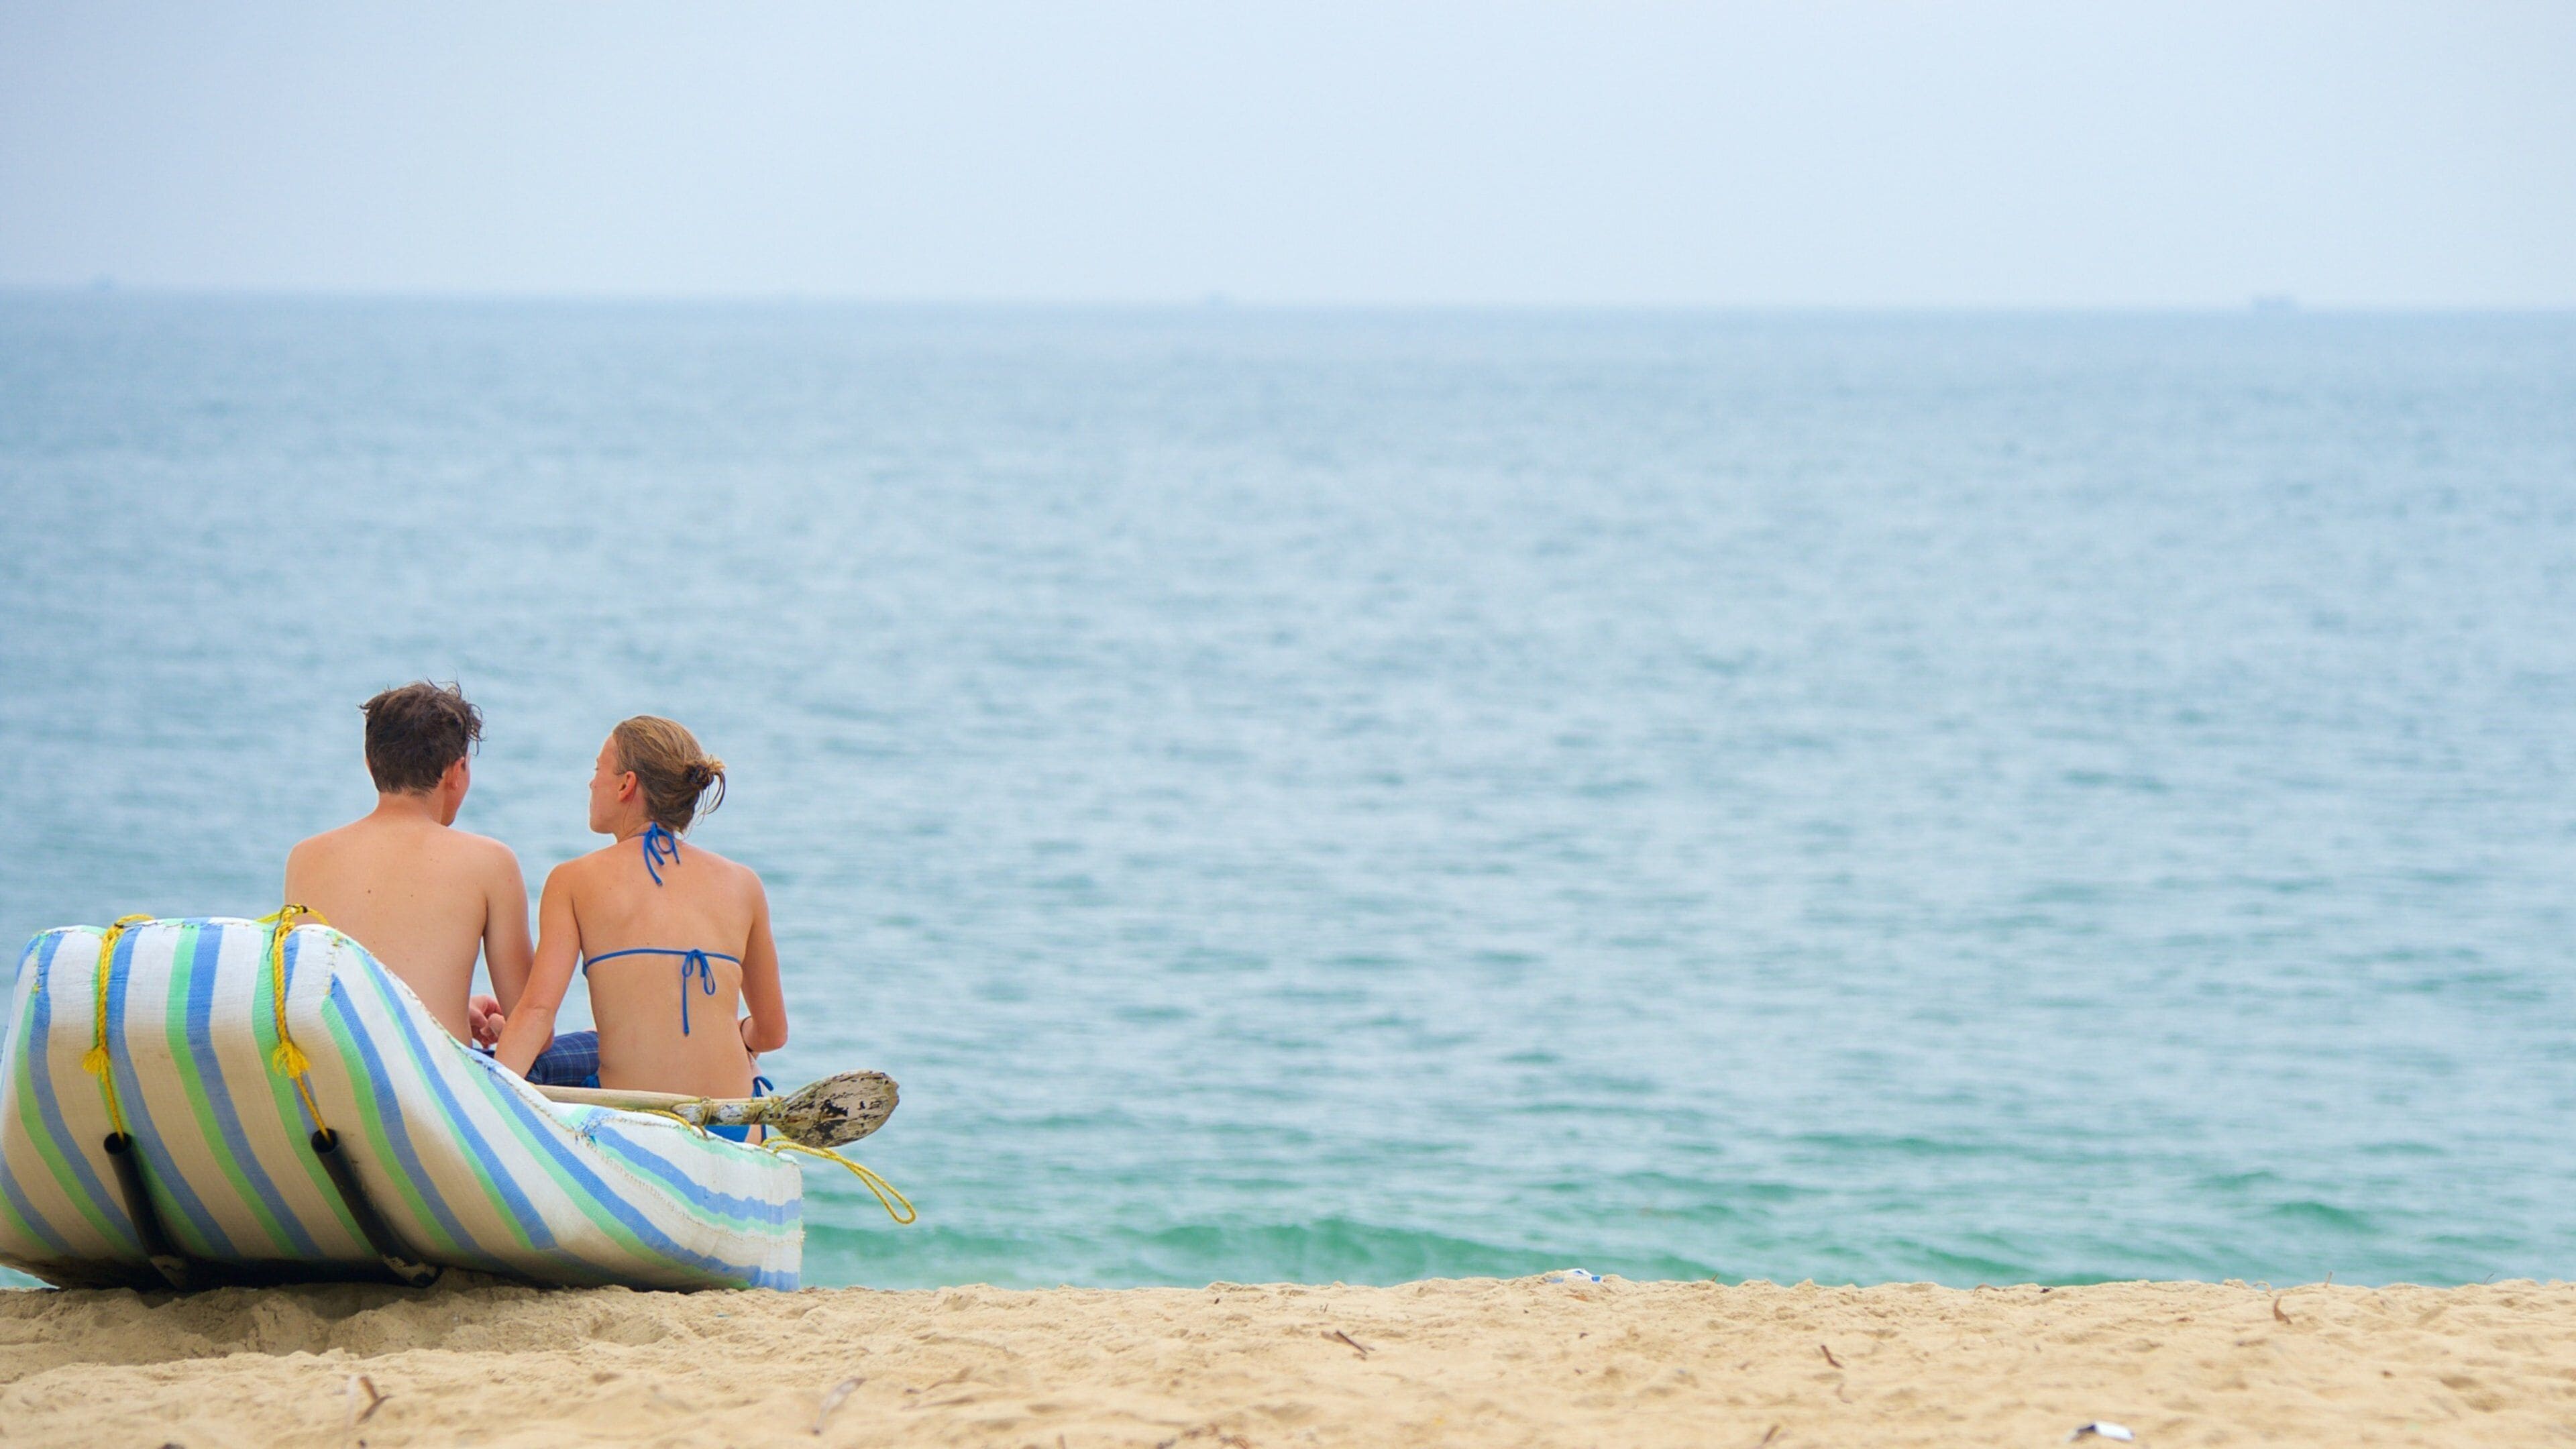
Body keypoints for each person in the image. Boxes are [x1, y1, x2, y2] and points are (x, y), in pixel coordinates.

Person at [494, 716, 788, 1119]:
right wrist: (741, 1035)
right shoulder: (744, 883)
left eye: (598, 769)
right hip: (729, 1120)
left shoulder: (573, 879)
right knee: (747, 1070)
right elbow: (772, 1032)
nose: (591, 783)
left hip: (634, 1122)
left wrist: (488, 1104)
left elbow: (537, 1013)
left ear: (626, 785)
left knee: (545, 1065)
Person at [282, 682, 532, 1049]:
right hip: (428, 1079)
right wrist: (497, 1025)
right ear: (457, 771)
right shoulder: (493, 862)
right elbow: (530, 1020)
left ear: (370, 764)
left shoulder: (305, 857)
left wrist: (450, 1006)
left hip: (326, 1071)